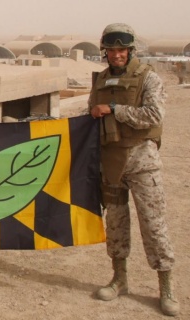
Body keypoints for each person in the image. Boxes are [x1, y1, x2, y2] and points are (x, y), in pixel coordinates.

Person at [88, 23, 180, 316]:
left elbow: (154, 114)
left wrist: (114, 109)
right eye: (111, 50)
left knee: (154, 226)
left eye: (122, 50)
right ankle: (119, 279)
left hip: (143, 163)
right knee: (115, 226)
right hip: (111, 164)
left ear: (130, 51)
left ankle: (166, 287)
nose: (116, 55)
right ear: (105, 52)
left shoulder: (147, 78)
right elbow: (90, 115)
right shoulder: (100, 80)